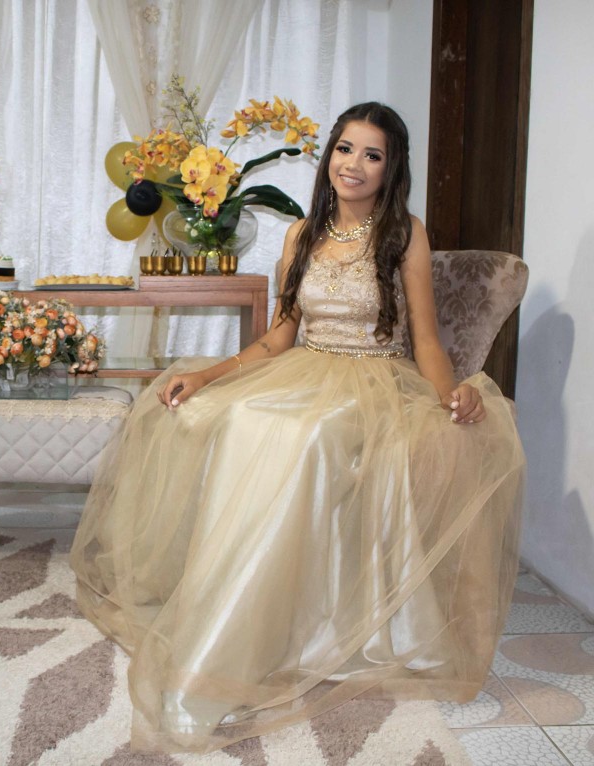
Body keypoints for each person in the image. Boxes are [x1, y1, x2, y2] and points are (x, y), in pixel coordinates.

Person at [69, 102, 525, 754]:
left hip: (374, 381)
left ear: (391, 168)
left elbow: (426, 339)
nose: (354, 164)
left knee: (302, 436)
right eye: (345, 148)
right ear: (329, 155)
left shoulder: (405, 234)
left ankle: (222, 665)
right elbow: (278, 338)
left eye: (372, 155)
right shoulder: (301, 235)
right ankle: (231, 613)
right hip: (305, 369)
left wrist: (450, 394)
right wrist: (208, 376)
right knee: (238, 415)